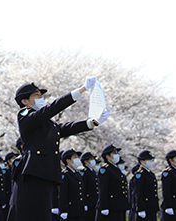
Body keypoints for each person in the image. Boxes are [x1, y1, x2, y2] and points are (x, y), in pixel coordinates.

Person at [8, 78, 108, 221]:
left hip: (46, 172)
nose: (41, 98)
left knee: (42, 215)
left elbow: (63, 128)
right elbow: (52, 108)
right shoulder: (25, 116)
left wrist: (92, 122)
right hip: (32, 173)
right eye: (37, 96)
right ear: (25, 101)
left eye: (41, 96)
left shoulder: (46, 123)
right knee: (28, 214)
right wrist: (81, 90)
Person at [95, 144, 128, 221]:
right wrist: (104, 206)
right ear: (107, 156)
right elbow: (103, 189)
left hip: (118, 206)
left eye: (117, 153)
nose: (117, 155)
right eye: (114, 153)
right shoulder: (105, 169)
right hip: (111, 206)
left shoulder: (116, 169)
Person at [59, 149, 86, 221]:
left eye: (77, 157)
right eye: (75, 157)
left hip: (79, 211)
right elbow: (63, 194)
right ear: (68, 160)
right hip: (70, 212)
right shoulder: (65, 174)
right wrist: (63, 210)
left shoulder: (77, 174)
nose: (78, 159)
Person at [133, 150, 159, 221]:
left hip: (151, 208)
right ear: (141, 161)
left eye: (151, 160)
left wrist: (155, 208)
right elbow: (138, 193)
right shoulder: (140, 174)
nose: (150, 161)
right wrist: (140, 208)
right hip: (145, 207)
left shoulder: (151, 174)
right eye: (148, 160)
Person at [80, 151, 99, 221]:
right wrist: (84, 203)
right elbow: (83, 188)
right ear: (86, 161)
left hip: (94, 202)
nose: (93, 161)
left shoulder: (93, 172)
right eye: (91, 159)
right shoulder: (84, 172)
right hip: (89, 203)